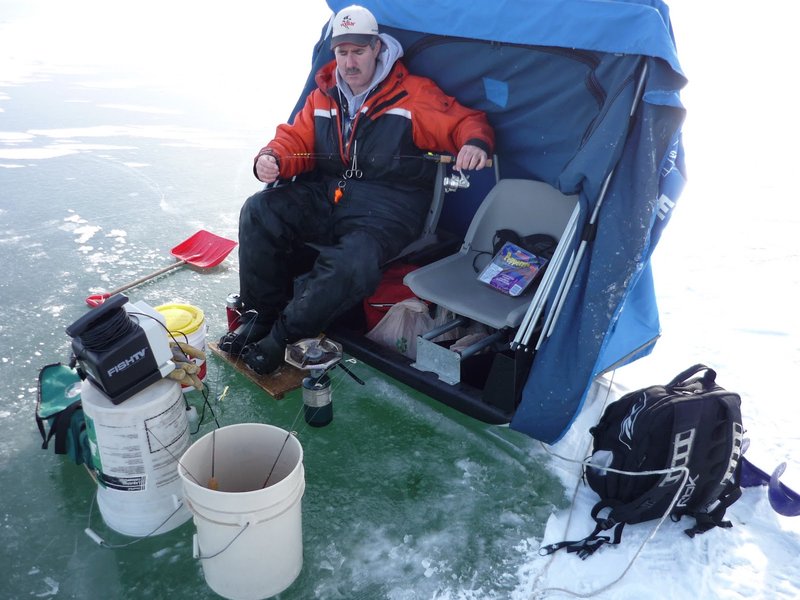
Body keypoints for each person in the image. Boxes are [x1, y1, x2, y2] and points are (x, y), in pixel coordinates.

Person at [220, 4, 495, 375]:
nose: (350, 63)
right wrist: (272, 158)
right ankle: (260, 315)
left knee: (353, 260)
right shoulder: (324, 94)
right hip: (331, 193)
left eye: (359, 51)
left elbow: (465, 120)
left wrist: (474, 143)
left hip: (390, 206)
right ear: (334, 52)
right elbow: (295, 141)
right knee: (260, 210)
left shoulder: (411, 95)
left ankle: (282, 336)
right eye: (342, 52)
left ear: (376, 48)